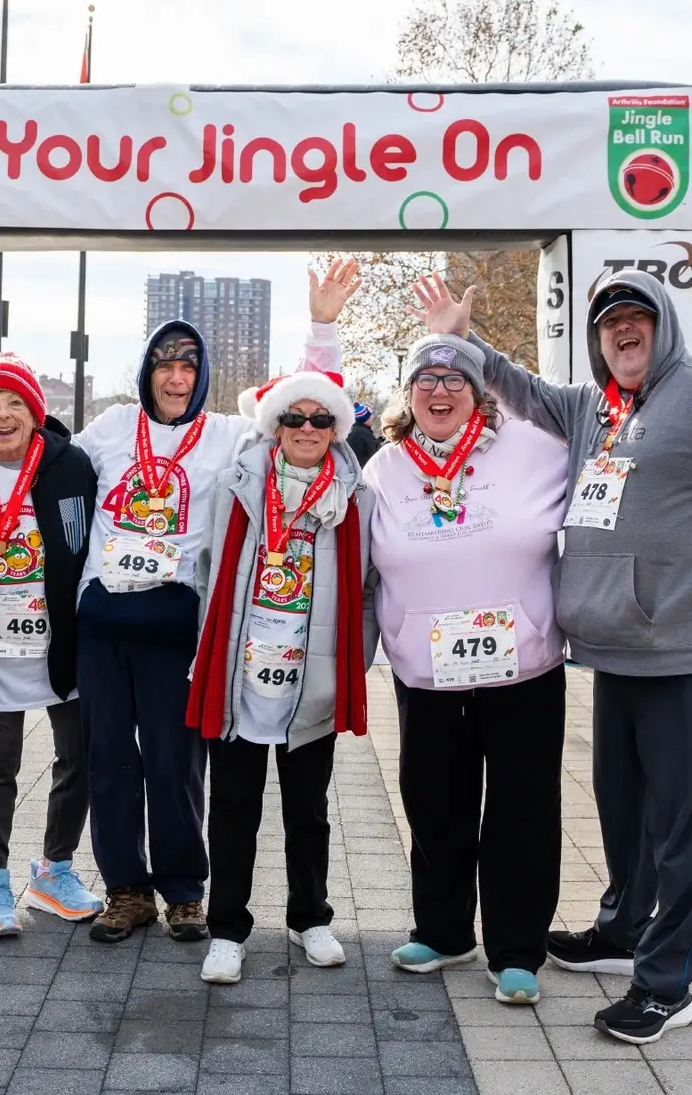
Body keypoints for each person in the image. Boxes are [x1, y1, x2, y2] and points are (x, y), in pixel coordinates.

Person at [413, 269, 692, 1043]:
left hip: (677, 654)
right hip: (610, 648)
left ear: (661, 326)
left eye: (636, 318)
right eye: (609, 324)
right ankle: (622, 929)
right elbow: (516, 387)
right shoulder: (592, 407)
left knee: (679, 828)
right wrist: (461, 340)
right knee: (623, 810)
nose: (622, 331)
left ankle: (669, 980)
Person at [71, 261, 363, 942]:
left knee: (175, 765)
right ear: (146, 371)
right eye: (164, 365)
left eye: (188, 366)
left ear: (201, 377)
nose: (175, 378)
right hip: (104, 626)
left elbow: (304, 413)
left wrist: (321, 328)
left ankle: (182, 891)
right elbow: (42, 459)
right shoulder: (111, 428)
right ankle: (124, 889)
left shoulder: (231, 437)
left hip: (178, 626)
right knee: (109, 761)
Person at [362, 331, 568, 1005]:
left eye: (455, 380)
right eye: (426, 379)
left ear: (480, 391)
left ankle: (516, 949)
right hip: (425, 676)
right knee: (433, 802)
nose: (440, 390)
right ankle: (444, 931)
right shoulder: (385, 468)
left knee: (522, 810)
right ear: (408, 394)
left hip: (524, 672)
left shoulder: (537, 447)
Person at [187, 370, 372, 983]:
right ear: (274, 426)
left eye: (322, 420)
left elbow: (368, 587)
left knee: (309, 809)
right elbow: (206, 568)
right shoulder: (237, 484)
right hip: (242, 675)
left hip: (310, 674)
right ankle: (227, 929)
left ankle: (309, 916)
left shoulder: (354, 495)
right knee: (234, 805)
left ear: (338, 428)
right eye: (295, 419)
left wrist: (354, 661)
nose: (308, 430)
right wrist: (207, 652)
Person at [0, 353, 101, 937]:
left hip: (63, 645)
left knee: (79, 756)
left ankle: (55, 870)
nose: (3, 416)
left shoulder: (71, 465)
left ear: (36, 412)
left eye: (15, 404)